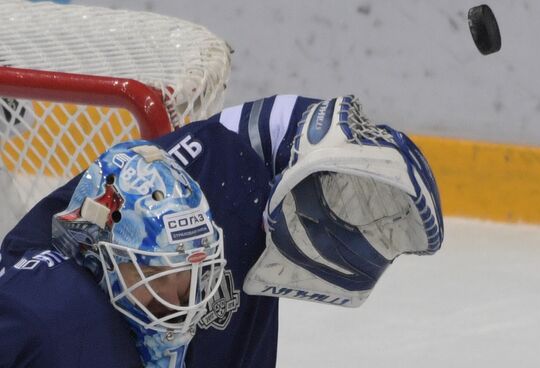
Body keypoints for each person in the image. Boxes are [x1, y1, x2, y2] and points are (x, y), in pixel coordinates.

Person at [0, 94, 444, 367]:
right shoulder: (53, 324)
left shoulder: (228, 189)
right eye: (160, 289)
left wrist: (321, 130)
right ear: (100, 257)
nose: (182, 314)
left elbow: (249, 134)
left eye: (193, 284)